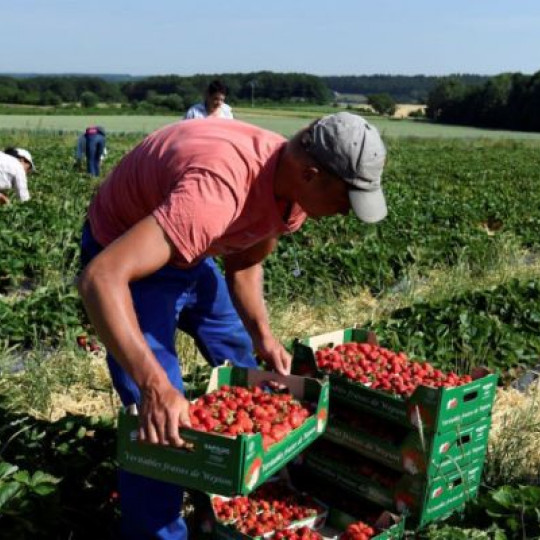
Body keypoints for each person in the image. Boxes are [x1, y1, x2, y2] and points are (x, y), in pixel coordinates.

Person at [77, 112, 387, 539]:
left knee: (242, 362)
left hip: (192, 246)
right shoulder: (215, 193)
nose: (346, 212)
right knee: (159, 421)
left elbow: (244, 259)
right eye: (346, 199)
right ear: (311, 175)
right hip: (126, 253)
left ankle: (238, 491)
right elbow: (100, 277)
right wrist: (155, 386)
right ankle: (157, 529)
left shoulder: (290, 190)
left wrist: (263, 336)